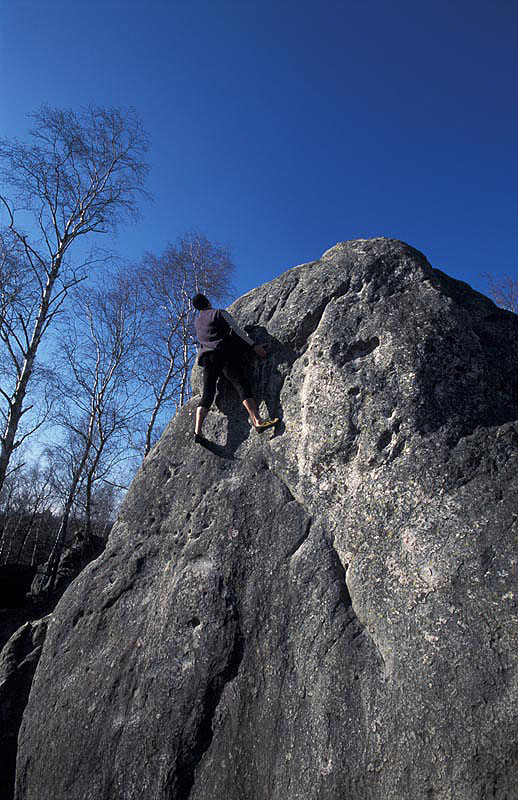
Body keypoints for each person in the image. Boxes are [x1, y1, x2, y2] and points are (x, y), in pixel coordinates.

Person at [191, 293, 278, 443]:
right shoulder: (219, 313)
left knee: (208, 394)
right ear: (208, 301)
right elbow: (237, 331)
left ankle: (197, 431)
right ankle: (257, 420)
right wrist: (253, 346)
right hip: (222, 354)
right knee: (240, 384)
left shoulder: (198, 323)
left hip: (207, 359)